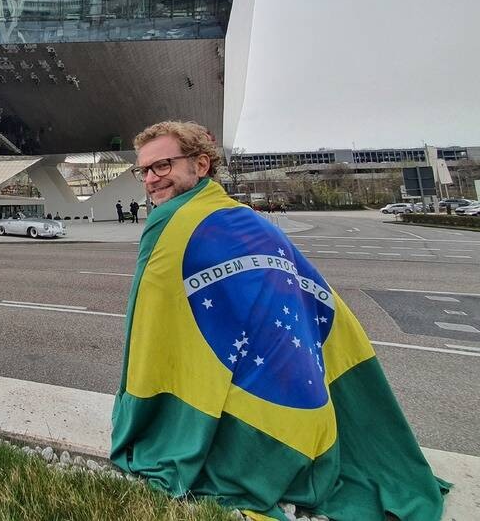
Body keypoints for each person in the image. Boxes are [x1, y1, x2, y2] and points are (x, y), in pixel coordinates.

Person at [112, 121, 446, 521]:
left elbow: (151, 325)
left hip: (249, 417)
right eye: (144, 170)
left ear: (201, 165)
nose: (150, 179)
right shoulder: (245, 217)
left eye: (162, 166)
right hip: (299, 406)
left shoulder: (174, 222)